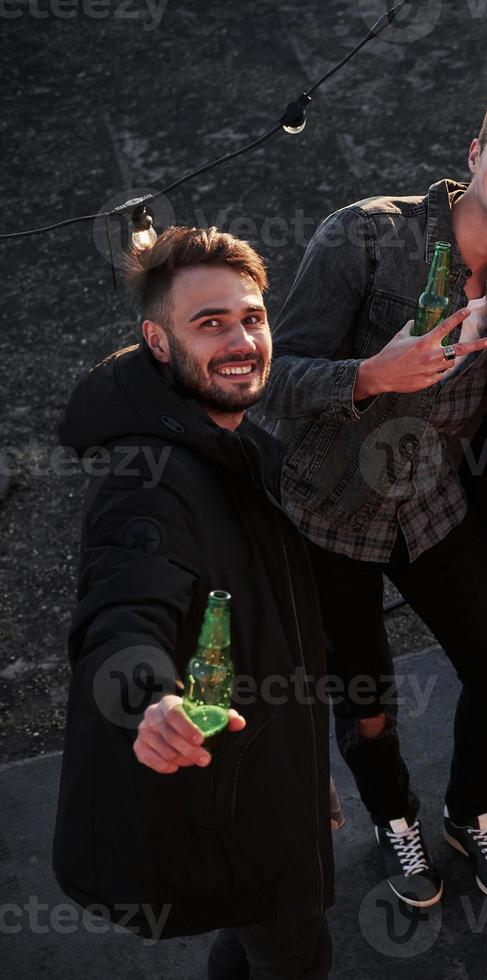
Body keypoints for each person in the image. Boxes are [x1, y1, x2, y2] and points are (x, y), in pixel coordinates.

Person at [252, 83, 487, 908]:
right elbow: (267, 382)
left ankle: (469, 812)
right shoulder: (364, 235)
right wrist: (369, 376)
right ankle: (393, 818)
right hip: (331, 515)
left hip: (438, 510)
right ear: (474, 154)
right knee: (364, 701)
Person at [54, 227, 333, 978]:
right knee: (295, 956)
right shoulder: (147, 479)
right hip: (235, 814)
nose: (241, 340)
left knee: (250, 945)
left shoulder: (228, 441)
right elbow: (120, 611)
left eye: (252, 317)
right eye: (210, 324)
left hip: (264, 781)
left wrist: (306, 771)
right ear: (156, 339)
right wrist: (147, 700)